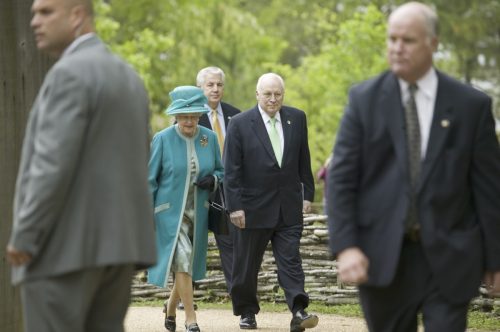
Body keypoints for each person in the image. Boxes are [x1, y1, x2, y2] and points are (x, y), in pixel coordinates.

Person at [327, 2, 500, 332]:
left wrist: (496, 258)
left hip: (449, 258)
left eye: (407, 40)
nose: (397, 48)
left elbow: (489, 189)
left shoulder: (471, 107)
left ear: (432, 43)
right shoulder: (364, 100)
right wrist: (346, 247)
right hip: (381, 257)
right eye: (392, 39)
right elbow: (342, 179)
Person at [6, 0, 157, 331]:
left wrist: (26, 234)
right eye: (33, 13)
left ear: (76, 16)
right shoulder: (128, 78)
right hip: (117, 253)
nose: (34, 22)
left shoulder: (68, 74)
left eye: (46, 12)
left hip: (63, 252)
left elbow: (51, 164)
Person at [224, 73, 319, 332]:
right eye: (268, 94)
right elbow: (231, 170)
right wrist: (235, 206)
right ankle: (246, 311)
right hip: (251, 208)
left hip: (288, 206)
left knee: (290, 260)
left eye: (278, 94)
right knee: (246, 264)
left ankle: (298, 310)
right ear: (257, 94)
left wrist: (307, 194)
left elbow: (304, 159)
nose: (273, 99)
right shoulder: (240, 124)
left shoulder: (296, 118)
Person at [147, 86, 224, 332]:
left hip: (197, 213)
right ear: (176, 116)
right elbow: (149, 180)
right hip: (169, 215)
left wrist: (212, 180)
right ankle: (191, 319)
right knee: (181, 259)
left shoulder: (208, 138)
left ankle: (170, 308)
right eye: (184, 116)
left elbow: (221, 171)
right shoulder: (162, 138)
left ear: (200, 116)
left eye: (193, 116)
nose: (189, 120)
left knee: (187, 265)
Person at [197, 66, 241, 293]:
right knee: (193, 246)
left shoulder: (237, 115)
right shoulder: (189, 116)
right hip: (200, 190)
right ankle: (183, 297)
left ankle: (240, 303)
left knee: (231, 246)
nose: (215, 89)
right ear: (200, 88)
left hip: (229, 193)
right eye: (210, 84)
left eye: (219, 85)